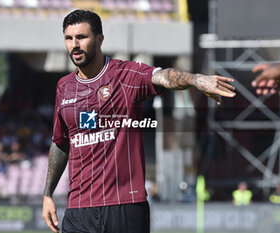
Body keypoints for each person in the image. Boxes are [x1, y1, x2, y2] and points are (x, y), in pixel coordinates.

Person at [42, 9, 236, 233]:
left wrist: (195, 79)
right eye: (69, 38)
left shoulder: (126, 76)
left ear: (100, 39)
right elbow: (60, 142)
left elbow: (163, 76)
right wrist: (47, 193)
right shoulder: (64, 87)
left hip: (125, 206)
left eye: (82, 37)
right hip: (79, 210)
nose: (75, 44)